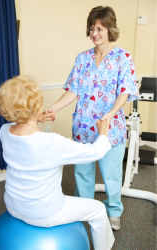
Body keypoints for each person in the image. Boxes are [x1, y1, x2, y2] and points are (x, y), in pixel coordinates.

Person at [42, 6, 138, 230]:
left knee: (111, 176)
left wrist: (111, 113)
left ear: (110, 30)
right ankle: (84, 209)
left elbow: (124, 91)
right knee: (82, 173)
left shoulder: (123, 57)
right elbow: (73, 90)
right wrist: (54, 108)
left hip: (109, 129)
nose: (95, 33)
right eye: (92, 28)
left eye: (100, 28)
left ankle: (113, 211)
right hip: (83, 128)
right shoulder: (82, 58)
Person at [0, 75, 114, 250]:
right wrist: (103, 132)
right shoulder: (52, 143)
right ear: (37, 105)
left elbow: (20, 125)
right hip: (44, 214)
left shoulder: (4, 131)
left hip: (13, 206)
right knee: (98, 210)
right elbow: (96, 152)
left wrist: (36, 117)